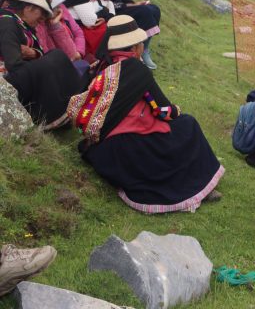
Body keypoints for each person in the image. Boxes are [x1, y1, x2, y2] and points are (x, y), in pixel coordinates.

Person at [66, 15, 224, 213]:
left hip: (105, 152)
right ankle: (200, 187)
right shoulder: (136, 69)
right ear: (134, 47)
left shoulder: (98, 67)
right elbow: (163, 110)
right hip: (131, 150)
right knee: (187, 125)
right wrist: (177, 110)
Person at [0, 0, 81, 129]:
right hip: (4, 82)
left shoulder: (21, 24)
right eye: (42, 13)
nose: (43, 19)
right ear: (28, 8)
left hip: (17, 74)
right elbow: (13, 65)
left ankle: (72, 104)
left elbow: (38, 52)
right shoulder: (6, 22)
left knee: (56, 56)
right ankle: (50, 116)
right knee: (53, 59)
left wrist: (35, 54)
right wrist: (40, 64)